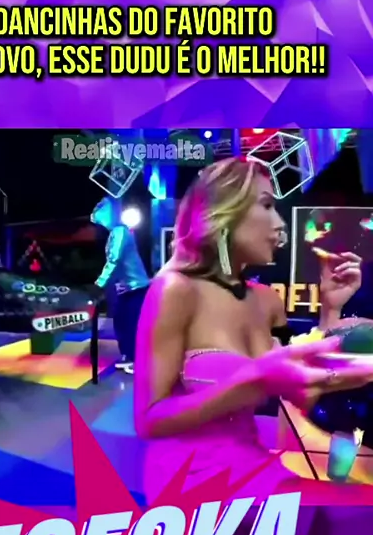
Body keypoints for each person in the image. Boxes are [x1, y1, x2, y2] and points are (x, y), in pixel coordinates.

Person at [134, 158, 373, 505]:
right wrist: (254, 380)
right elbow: (148, 420)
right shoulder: (175, 290)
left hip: (256, 466)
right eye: (267, 205)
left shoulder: (266, 300)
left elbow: (302, 392)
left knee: (355, 511)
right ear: (225, 214)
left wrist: (331, 311)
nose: (280, 224)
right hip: (190, 479)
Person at [91, 197, 150, 374]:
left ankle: (137, 360)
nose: (100, 226)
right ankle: (128, 356)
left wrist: (99, 284)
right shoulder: (114, 233)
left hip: (136, 287)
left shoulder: (120, 232)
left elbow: (114, 260)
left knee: (132, 325)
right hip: (125, 288)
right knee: (121, 323)